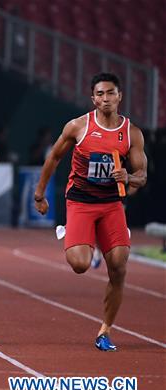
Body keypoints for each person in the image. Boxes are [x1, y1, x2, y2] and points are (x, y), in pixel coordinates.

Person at [34, 72, 147, 352]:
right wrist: (40, 192)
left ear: (119, 96)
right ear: (93, 98)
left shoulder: (131, 133)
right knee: (80, 265)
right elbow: (54, 157)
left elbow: (142, 175)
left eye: (110, 93)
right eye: (100, 94)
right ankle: (79, 236)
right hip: (81, 202)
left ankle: (105, 331)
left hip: (110, 204)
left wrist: (128, 178)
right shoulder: (78, 126)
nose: (105, 99)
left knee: (119, 267)